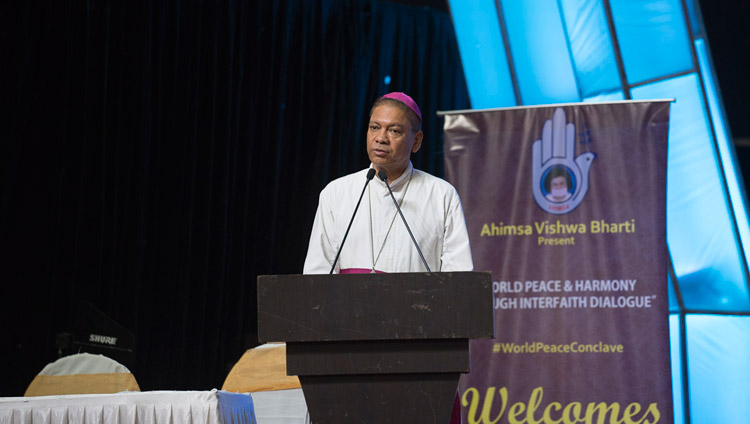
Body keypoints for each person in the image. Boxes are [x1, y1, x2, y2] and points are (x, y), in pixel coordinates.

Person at [303, 92, 473, 274]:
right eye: (375, 127)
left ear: (416, 141)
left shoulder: (441, 195)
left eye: (394, 131)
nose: (381, 138)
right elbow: (318, 273)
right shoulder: (336, 193)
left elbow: (458, 275)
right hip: (349, 303)